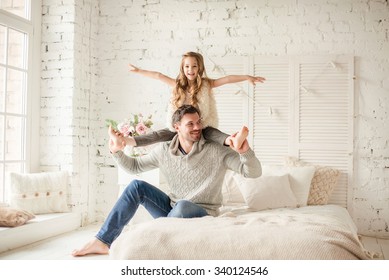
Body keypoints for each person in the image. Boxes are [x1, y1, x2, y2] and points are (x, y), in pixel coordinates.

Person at [72, 105, 262, 257]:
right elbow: (135, 167)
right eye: (190, 124)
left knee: (184, 206)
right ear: (177, 127)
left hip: (203, 213)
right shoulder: (164, 151)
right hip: (173, 209)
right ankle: (102, 241)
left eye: (198, 122)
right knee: (136, 187)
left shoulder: (217, 149)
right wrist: (116, 151)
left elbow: (252, 172)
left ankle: (154, 244)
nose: (197, 127)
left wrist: (244, 151)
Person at [108, 51, 265, 150]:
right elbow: (158, 75)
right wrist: (139, 71)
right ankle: (123, 141)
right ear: (183, 69)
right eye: (187, 67)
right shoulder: (178, 85)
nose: (191, 70)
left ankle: (233, 141)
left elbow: (228, 78)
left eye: (194, 66)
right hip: (181, 128)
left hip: (200, 126)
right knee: (158, 135)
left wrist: (247, 77)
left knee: (213, 133)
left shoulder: (206, 84)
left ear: (199, 68)